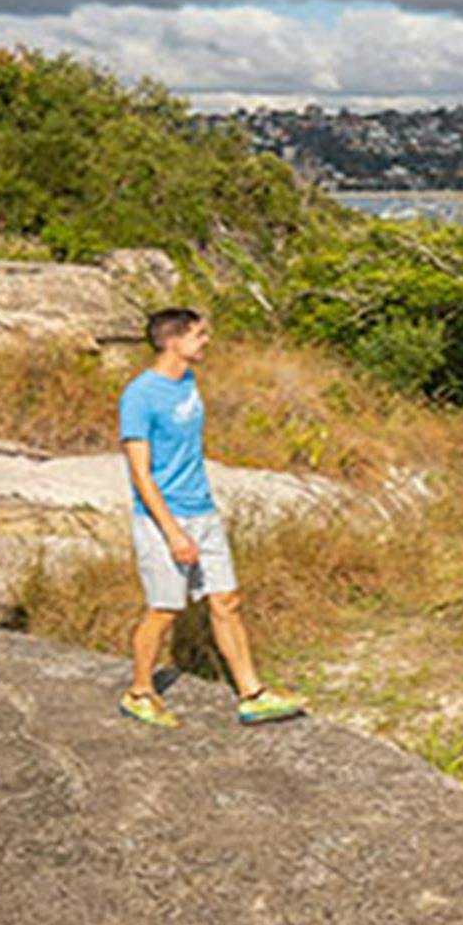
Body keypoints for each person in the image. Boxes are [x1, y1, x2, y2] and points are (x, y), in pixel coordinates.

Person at [118, 307, 306, 728]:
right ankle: (139, 691)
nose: (207, 341)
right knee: (165, 609)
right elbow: (140, 473)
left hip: (202, 509)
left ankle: (252, 694)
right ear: (173, 341)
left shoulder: (187, 381)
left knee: (226, 600)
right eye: (199, 334)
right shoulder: (140, 395)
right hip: (162, 517)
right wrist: (173, 533)